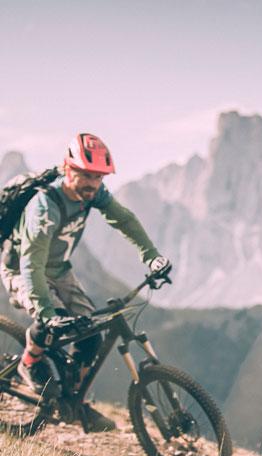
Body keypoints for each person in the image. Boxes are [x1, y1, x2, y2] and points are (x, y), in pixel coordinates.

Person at [0, 133, 171, 431]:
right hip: (21, 268)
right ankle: (29, 362)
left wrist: (151, 256)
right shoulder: (45, 206)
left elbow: (124, 220)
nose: (94, 183)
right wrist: (47, 313)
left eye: (100, 177)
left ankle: (75, 402)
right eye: (87, 175)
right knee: (53, 321)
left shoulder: (94, 194)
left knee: (89, 334)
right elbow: (31, 264)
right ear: (69, 169)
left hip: (59, 269)